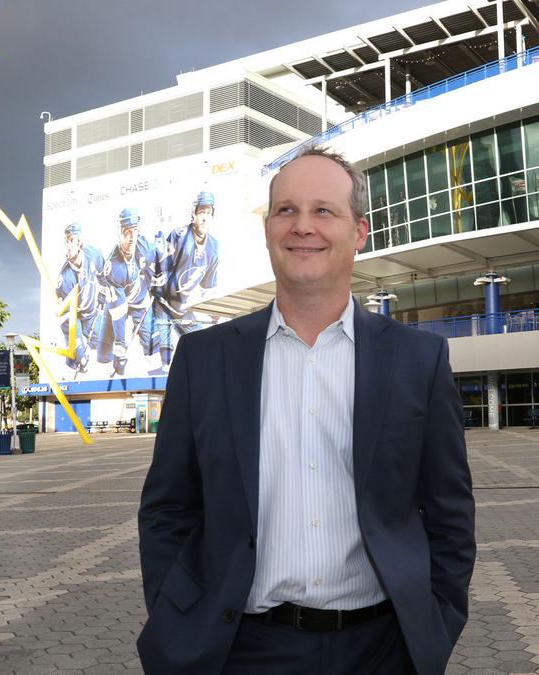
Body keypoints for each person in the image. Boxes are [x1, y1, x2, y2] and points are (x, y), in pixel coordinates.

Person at [137, 147, 475, 674]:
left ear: (359, 232)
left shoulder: (418, 360)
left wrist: (438, 617)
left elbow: (450, 513)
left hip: (383, 650)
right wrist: (173, 608)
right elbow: (167, 508)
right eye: (286, 210)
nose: (302, 227)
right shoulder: (204, 360)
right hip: (240, 650)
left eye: (324, 210)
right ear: (268, 226)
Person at [152, 190, 221, 367]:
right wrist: (158, 279)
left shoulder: (213, 247)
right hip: (163, 304)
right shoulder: (179, 235)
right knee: (165, 360)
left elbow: (208, 287)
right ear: (194, 214)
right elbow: (160, 264)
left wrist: (213, 310)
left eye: (208, 213)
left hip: (183, 309)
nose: (204, 218)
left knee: (204, 347)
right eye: (201, 212)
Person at [103, 208, 164, 376]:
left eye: (134, 231)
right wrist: (120, 347)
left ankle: (157, 378)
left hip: (141, 299)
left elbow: (159, 264)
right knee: (113, 351)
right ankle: (118, 368)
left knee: (151, 340)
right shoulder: (112, 266)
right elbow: (119, 313)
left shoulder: (144, 246)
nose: (131, 237)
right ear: (120, 232)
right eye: (127, 232)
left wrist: (159, 278)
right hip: (118, 305)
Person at [54, 222, 108, 375]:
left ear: (80, 243)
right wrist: (78, 349)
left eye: (72, 240)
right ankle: (73, 363)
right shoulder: (64, 277)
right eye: (67, 241)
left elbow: (103, 276)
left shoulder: (93, 254)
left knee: (102, 347)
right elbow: (65, 316)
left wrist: (102, 297)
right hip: (72, 317)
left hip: (90, 312)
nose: (68, 245)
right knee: (80, 359)